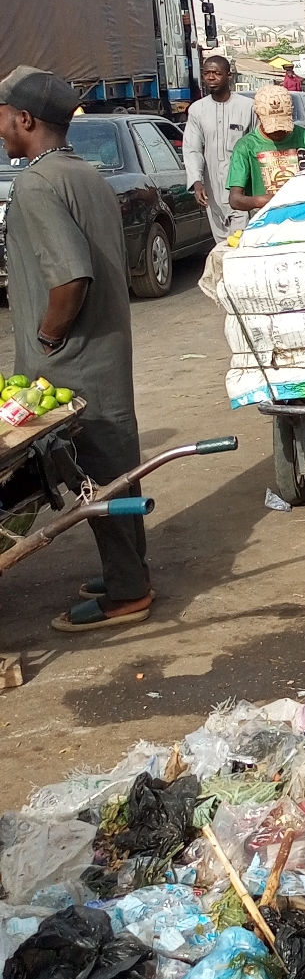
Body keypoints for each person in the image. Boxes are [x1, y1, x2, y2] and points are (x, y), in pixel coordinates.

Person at [0, 68, 152, 632]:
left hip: (71, 360)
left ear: (25, 119)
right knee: (117, 467)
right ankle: (129, 570)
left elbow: (71, 278)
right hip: (104, 352)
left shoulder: (37, 184)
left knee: (93, 476)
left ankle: (129, 591)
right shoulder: (86, 174)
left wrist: (47, 337)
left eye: (1, 117)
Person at [226, 85, 305, 216]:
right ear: (258, 116)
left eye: (282, 125)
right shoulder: (246, 146)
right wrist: (262, 200)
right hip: (267, 222)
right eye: (272, 126)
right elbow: (235, 199)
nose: (278, 131)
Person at [182, 53, 253, 244]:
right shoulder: (197, 110)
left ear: (229, 76)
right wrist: (196, 182)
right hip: (212, 189)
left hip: (242, 188)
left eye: (216, 73)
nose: (211, 77)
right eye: (207, 73)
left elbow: (257, 147)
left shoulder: (248, 107)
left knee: (242, 242)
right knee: (222, 245)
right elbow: (192, 148)